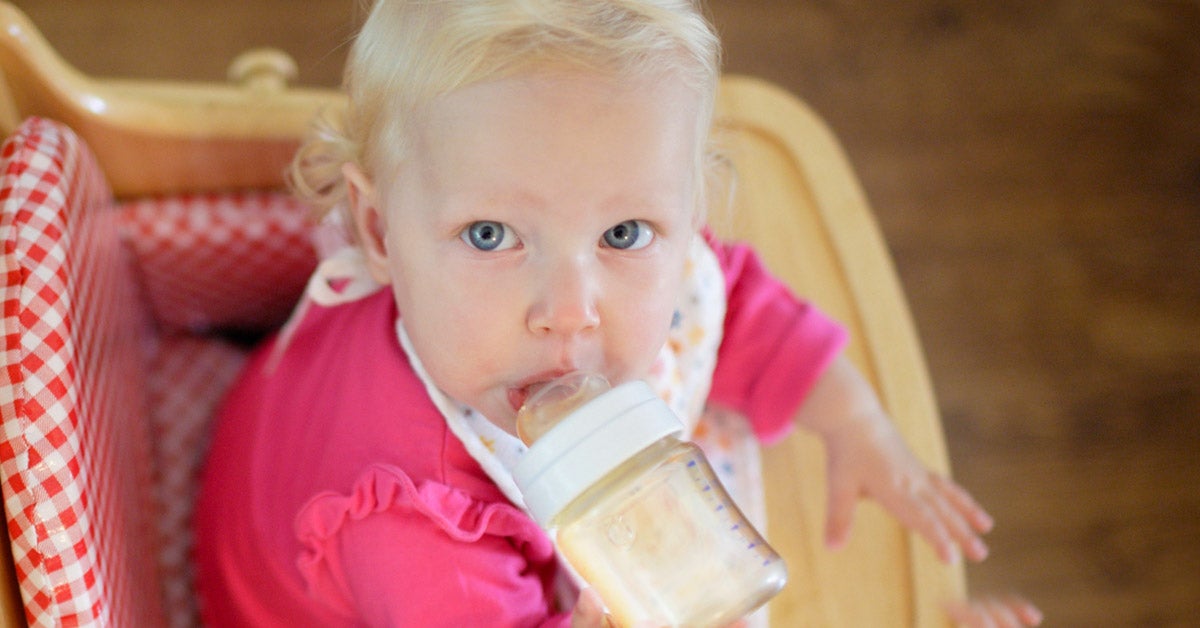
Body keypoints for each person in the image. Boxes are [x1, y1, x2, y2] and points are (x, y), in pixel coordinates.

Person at [194, 1, 1042, 626]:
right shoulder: (418, 531)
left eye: (626, 232)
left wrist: (854, 422)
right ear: (378, 228)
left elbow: (733, 300)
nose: (571, 313)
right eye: (491, 235)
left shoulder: (508, 322)